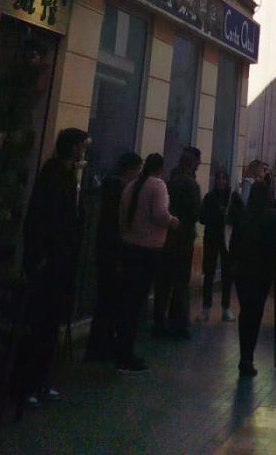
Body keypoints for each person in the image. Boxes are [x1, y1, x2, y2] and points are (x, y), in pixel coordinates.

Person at [18, 127, 87, 403]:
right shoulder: (55, 176)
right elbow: (44, 220)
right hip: (50, 264)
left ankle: (42, 381)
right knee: (40, 323)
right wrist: (42, 257)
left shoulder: (66, 176)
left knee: (50, 325)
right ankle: (29, 384)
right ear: (72, 148)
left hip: (59, 263)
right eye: (82, 146)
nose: (84, 151)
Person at [115, 154, 178, 372]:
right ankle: (127, 354)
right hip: (148, 249)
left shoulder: (131, 186)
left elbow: (122, 217)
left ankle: (121, 349)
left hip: (129, 246)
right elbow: (160, 214)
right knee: (137, 302)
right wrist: (172, 221)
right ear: (160, 168)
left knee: (127, 301)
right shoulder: (157, 185)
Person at [86, 150, 141, 361]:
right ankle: (102, 346)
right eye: (137, 169)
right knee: (110, 301)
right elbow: (118, 224)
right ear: (131, 169)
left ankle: (99, 345)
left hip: (105, 250)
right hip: (114, 251)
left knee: (106, 300)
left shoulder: (110, 187)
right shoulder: (120, 190)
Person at [229, 179, 276, 376]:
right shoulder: (271, 217)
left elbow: (233, 244)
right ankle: (248, 357)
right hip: (262, 272)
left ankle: (244, 355)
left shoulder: (242, 215)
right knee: (256, 313)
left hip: (243, 271)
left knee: (245, 312)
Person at [154, 147, 201, 338]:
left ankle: (159, 322)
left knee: (164, 281)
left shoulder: (170, 181)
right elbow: (196, 213)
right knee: (181, 281)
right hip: (184, 236)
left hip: (167, 236)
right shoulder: (191, 184)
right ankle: (179, 323)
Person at [200, 168, 240, 322]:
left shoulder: (233, 198)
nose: (221, 181)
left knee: (227, 274)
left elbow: (240, 216)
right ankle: (206, 307)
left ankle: (226, 307)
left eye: (224, 178)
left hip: (228, 239)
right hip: (211, 238)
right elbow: (202, 217)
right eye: (218, 178)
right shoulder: (209, 197)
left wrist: (229, 218)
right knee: (209, 272)